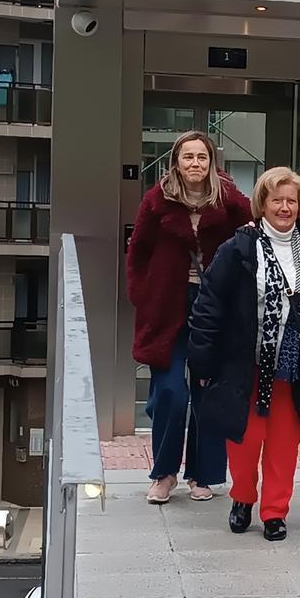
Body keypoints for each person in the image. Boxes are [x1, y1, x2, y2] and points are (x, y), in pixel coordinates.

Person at [188, 167, 300, 541]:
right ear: (262, 204)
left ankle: (274, 512)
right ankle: (242, 497)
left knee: (285, 443)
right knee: (245, 438)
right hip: (245, 361)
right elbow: (208, 306)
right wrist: (203, 359)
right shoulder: (239, 248)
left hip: (292, 366)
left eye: (291, 200)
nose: (284, 207)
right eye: (277, 200)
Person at [126, 131, 253, 504]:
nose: (195, 164)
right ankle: (164, 473)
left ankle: (204, 474)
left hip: (215, 307)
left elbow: (251, 242)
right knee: (169, 392)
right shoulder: (156, 200)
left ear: (212, 163)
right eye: (188, 157)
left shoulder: (230, 200)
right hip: (167, 305)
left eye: (202, 157)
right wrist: (143, 296)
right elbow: (139, 252)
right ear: (175, 163)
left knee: (207, 390)